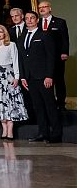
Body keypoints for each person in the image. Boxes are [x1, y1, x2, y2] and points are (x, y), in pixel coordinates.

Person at [19, 11, 62, 143]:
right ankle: (43, 133)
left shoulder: (45, 34)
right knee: (37, 106)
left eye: (32, 18)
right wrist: (23, 77)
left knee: (50, 105)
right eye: (27, 18)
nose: (29, 20)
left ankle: (56, 134)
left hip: (44, 77)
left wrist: (49, 76)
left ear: (37, 20)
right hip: (30, 77)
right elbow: (22, 58)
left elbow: (51, 57)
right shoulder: (22, 37)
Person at [0, 24, 28, 140]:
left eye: (1, 32)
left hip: (8, 76)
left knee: (10, 102)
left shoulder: (11, 45)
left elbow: (15, 61)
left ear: (5, 33)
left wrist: (17, 77)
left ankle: (10, 130)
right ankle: (4, 129)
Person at [37, 1, 69, 110]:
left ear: (50, 8)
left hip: (57, 57)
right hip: (42, 58)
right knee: (45, 81)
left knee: (59, 80)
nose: (42, 9)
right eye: (40, 7)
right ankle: (50, 104)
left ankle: (61, 104)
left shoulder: (60, 22)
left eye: (44, 7)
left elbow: (65, 38)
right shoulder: (37, 23)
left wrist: (65, 52)